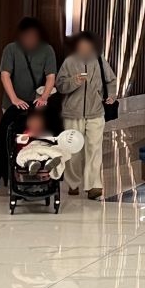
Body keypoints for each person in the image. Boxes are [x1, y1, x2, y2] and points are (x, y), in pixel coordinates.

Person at [56, 31, 117, 200]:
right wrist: (74, 81)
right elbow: (60, 85)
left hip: (96, 111)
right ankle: (73, 183)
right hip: (72, 113)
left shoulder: (99, 60)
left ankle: (94, 185)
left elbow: (111, 80)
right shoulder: (69, 62)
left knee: (94, 149)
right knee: (72, 150)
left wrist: (112, 95)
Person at [0, 17, 57, 111]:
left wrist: (44, 97)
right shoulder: (11, 49)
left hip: (35, 103)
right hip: (11, 104)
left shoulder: (47, 50)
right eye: (27, 36)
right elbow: (5, 75)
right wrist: (14, 99)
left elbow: (51, 76)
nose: (30, 39)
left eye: (33, 36)